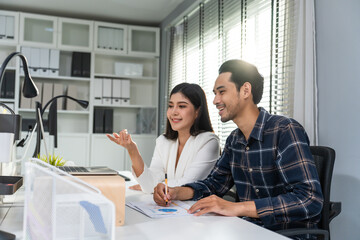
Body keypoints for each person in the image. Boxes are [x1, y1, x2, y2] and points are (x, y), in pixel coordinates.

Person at [153, 60, 323, 233]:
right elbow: (214, 185)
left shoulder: (284, 130)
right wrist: (176, 192)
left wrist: (237, 208)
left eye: (222, 92)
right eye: (215, 93)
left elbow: (309, 199)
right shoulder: (234, 140)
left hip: (284, 234)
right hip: (246, 230)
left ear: (245, 90)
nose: (215, 100)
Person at [107, 83, 220, 193]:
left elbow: (188, 183)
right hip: (171, 206)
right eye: (171, 106)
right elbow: (150, 182)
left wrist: (151, 187)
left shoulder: (209, 141)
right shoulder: (163, 141)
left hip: (197, 208)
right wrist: (132, 150)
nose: (173, 112)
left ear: (197, 111)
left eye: (181, 106)